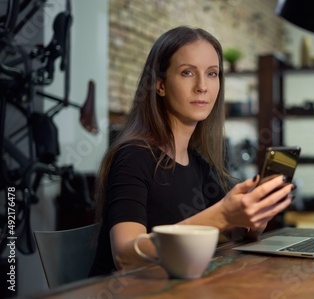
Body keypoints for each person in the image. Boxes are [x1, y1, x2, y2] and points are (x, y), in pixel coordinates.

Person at [88, 26, 294, 276]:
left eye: (212, 74)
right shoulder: (134, 156)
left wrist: (252, 218)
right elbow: (125, 256)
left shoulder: (199, 163)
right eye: (187, 72)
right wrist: (222, 215)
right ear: (160, 85)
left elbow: (230, 234)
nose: (202, 86)